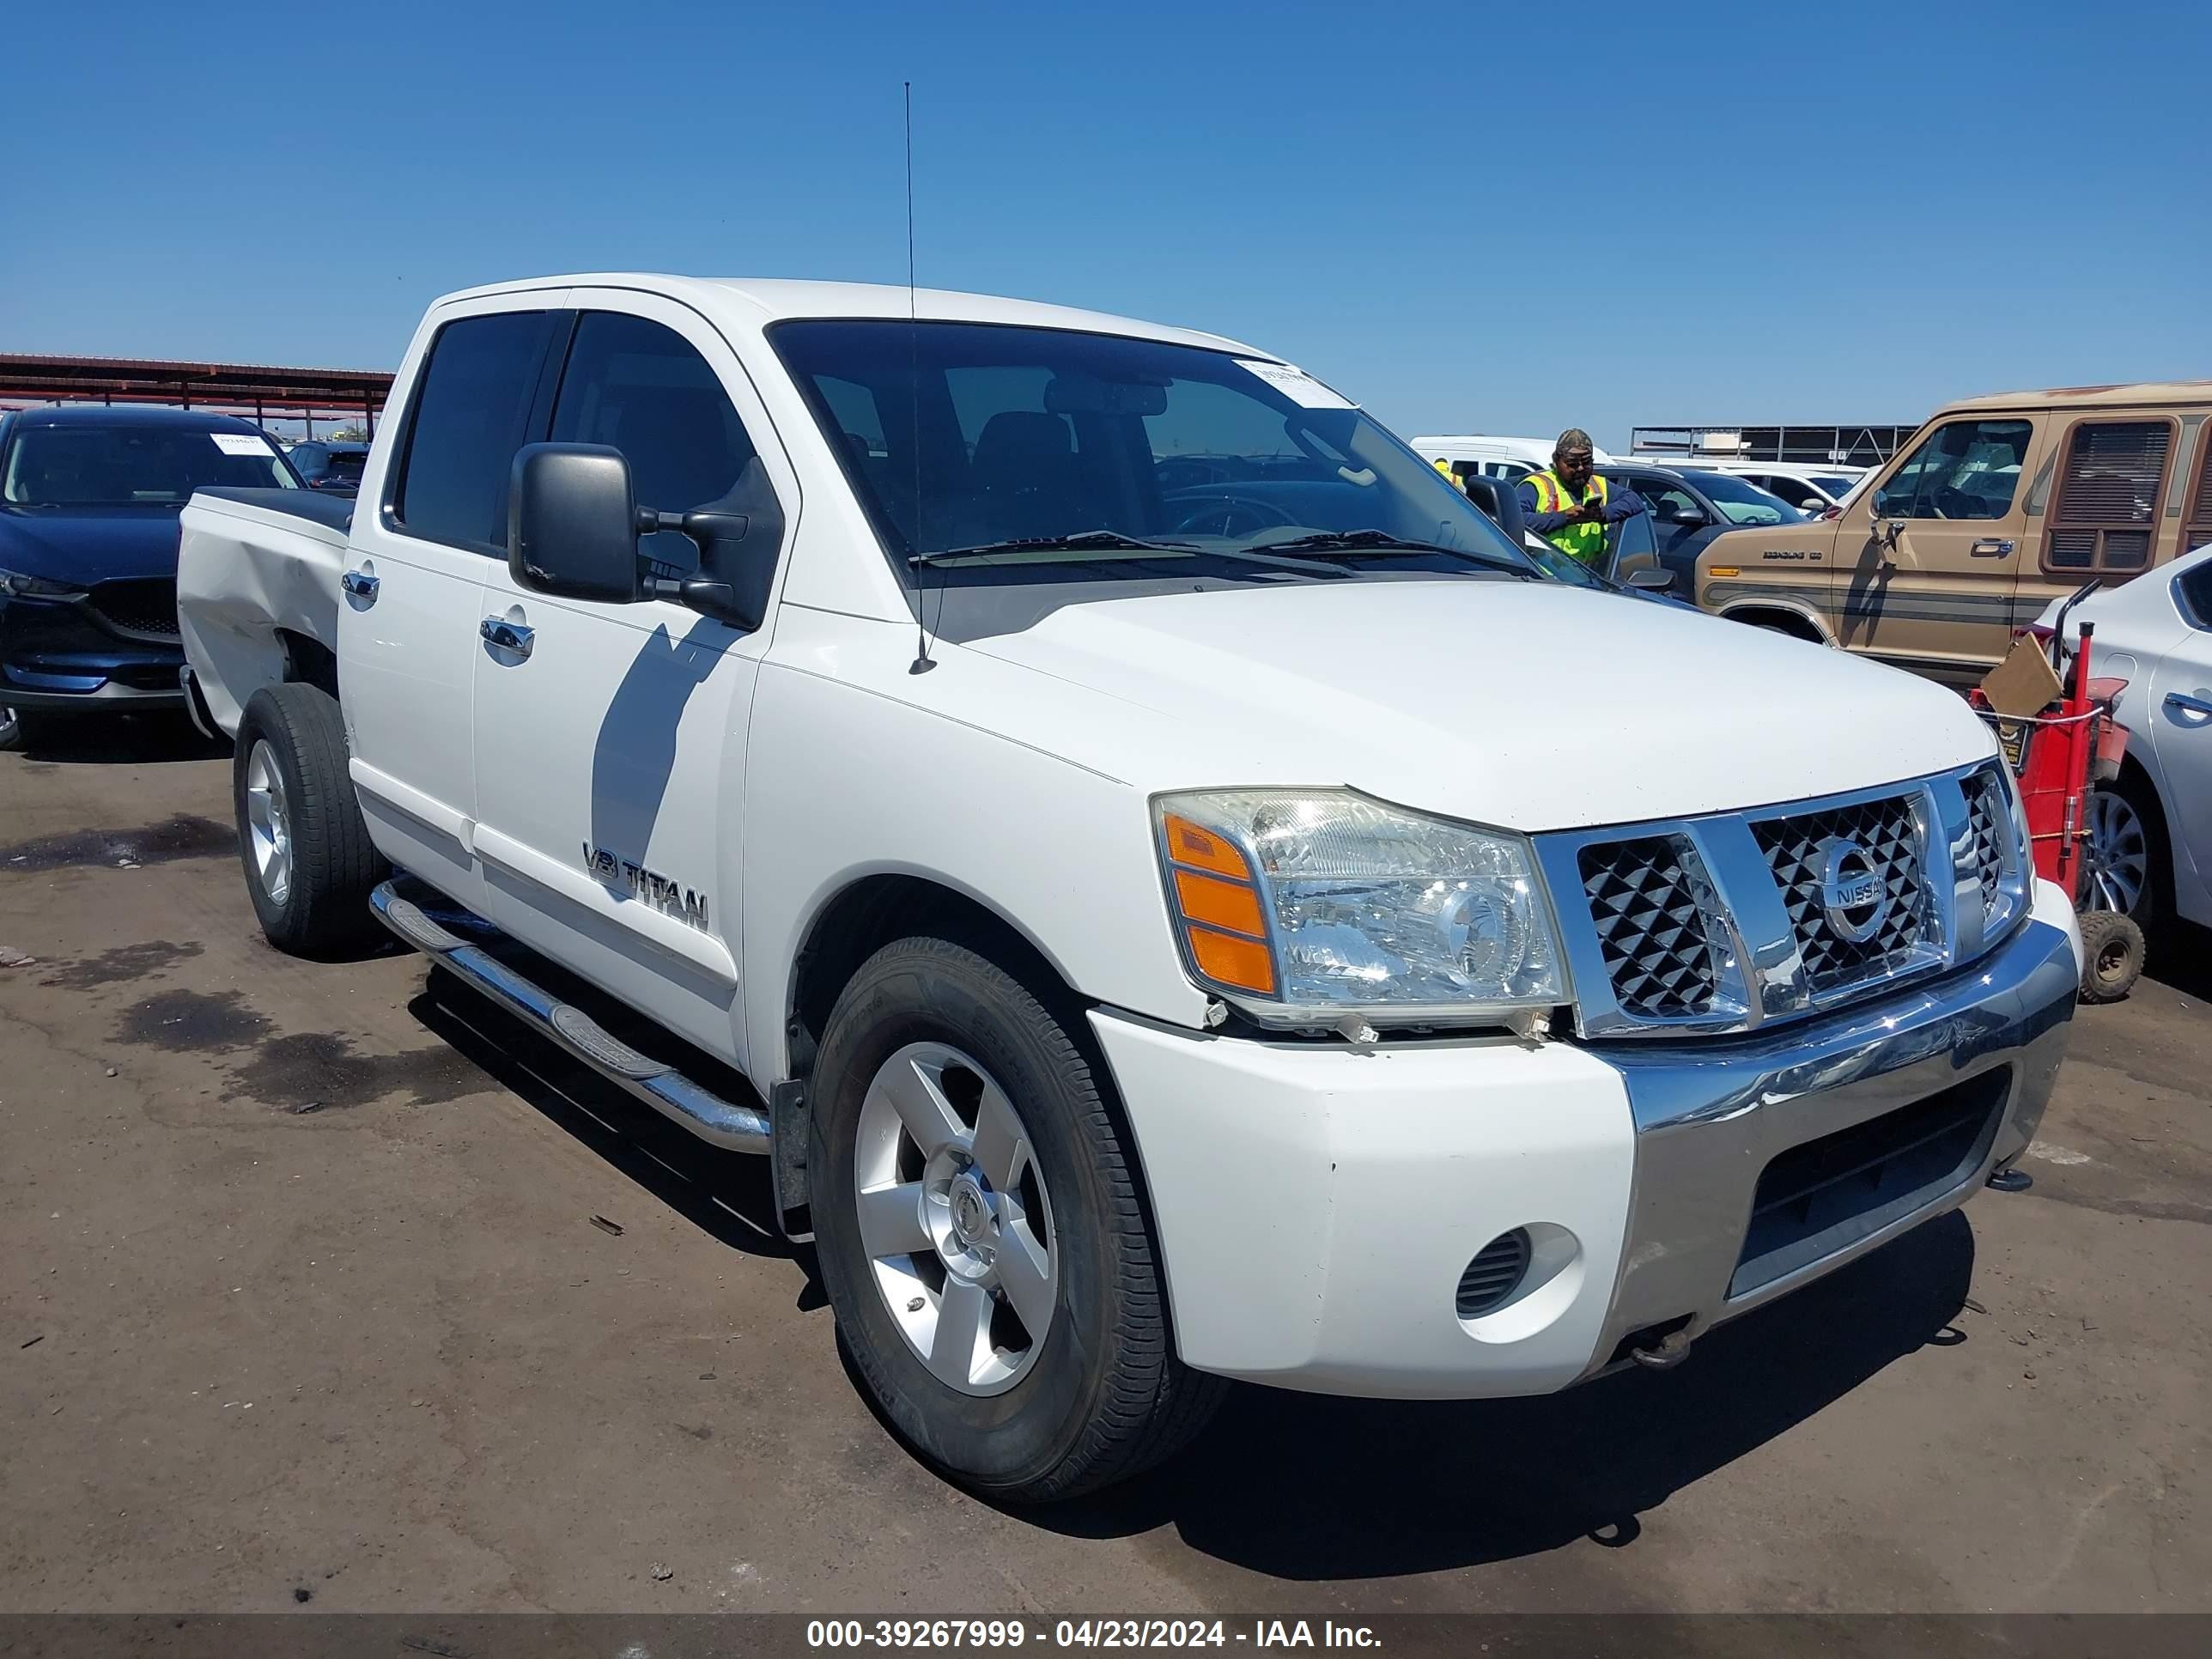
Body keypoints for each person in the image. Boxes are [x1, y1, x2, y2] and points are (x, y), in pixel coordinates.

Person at [1517, 428, 1645, 565]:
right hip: (1545, 577)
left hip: (1588, 577)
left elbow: (1634, 501)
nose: (1580, 469)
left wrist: (1603, 514)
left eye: (1586, 463)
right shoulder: (1537, 486)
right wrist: (1564, 517)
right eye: (1572, 464)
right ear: (1556, 461)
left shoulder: (1598, 484)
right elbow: (1515, 521)